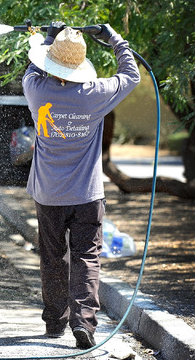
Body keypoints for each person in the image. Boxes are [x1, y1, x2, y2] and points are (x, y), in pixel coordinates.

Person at [22, 22, 140, 348]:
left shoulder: (36, 90)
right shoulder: (96, 94)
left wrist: (49, 37)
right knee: (86, 256)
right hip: (87, 195)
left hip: (48, 194)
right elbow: (132, 75)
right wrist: (114, 39)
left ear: (51, 61)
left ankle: (54, 322)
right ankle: (84, 324)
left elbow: (32, 67)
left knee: (52, 256)